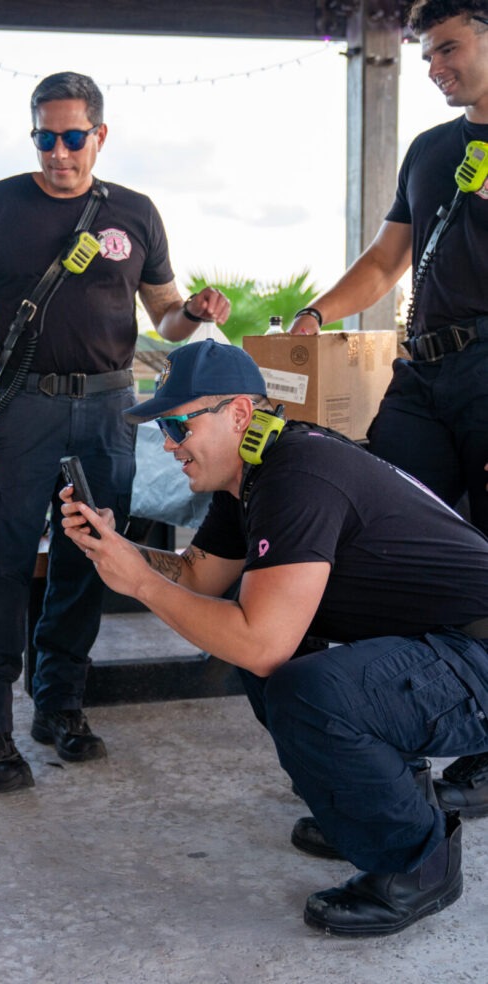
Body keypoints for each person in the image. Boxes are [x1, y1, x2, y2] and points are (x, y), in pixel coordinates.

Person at [63, 338, 488, 937]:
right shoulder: (251, 474)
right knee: (270, 648)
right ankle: (384, 808)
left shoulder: (298, 473)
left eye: (180, 423)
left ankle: (417, 862)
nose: (168, 444)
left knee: (302, 683)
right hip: (443, 643)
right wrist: (121, 549)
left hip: (476, 656)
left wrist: (142, 587)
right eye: (163, 426)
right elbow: (198, 575)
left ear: (240, 413)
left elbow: (261, 642)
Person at [0, 70, 230, 793]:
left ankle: (60, 704)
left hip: (109, 409)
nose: (59, 152)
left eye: (74, 137)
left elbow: (163, 315)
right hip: (26, 409)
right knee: (3, 564)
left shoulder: (134, 212)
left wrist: (192, 311)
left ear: (99, 136)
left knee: (90, 557)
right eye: (46, 136)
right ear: (33, 133)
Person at [287, 0, 488, 816]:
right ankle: (392, 728)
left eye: (449, 48)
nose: (435, 66)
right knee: (384, 538)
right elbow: (385, 261)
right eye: (426, 54)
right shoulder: (434, 148)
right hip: (421, 373)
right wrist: (317, 315)